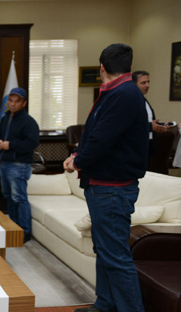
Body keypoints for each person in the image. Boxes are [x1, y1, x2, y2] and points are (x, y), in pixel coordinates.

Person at [63, 43, 147, 312]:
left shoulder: (123, 94)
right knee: (105, 253)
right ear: (129, 68)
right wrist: (78, 153)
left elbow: (102, 140)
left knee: (116, 258)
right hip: (104, 186)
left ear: (102, 68)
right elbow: (95, 134)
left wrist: (78, 160)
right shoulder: (119, 91)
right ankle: (105, 305)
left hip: (112, 190)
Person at [0, 87, 39, 243]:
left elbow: (32, 143)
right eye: (10, 101)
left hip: (19, 165)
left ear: (24, 103)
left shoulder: (29, 122)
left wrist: (10, 145)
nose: (13, 104)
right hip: (5, 163)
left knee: (19, 198)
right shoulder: (6, 118)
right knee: (8, 197)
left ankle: (25, 231)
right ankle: (13, 226)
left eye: (17, 101)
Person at [132, 70, 175, 171]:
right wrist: (151, 127)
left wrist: (162, 125)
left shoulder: (143, 99)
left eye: (148, 82)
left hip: (147, 144)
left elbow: (147, 121)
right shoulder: (131, 101)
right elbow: (131, 124)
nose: (147, 85)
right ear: (133, 84)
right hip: (135, 146)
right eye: (143, 83)